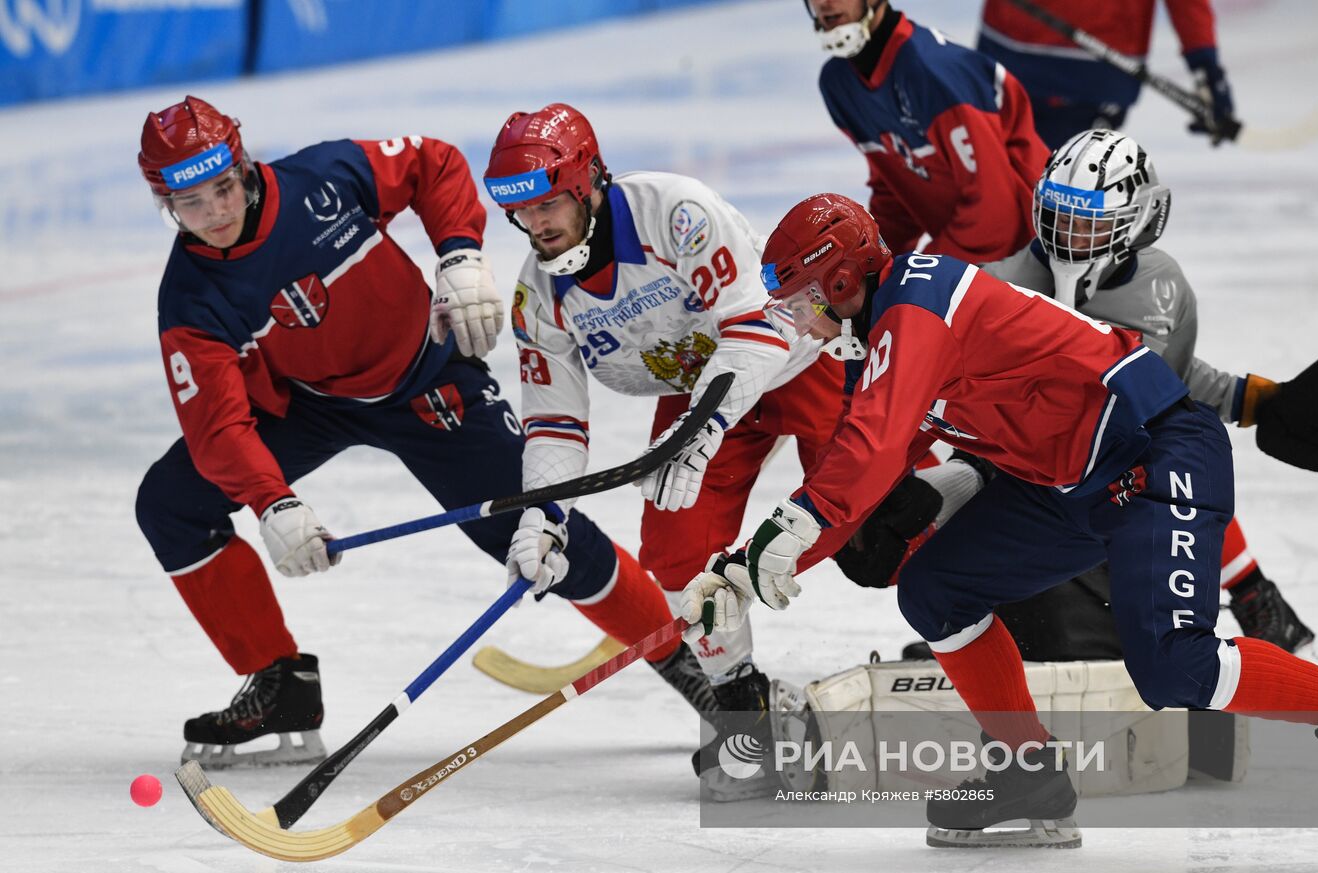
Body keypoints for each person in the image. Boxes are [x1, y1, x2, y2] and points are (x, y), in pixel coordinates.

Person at [681, 192, 1318, 847]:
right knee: (937, 589)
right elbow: (852, 477)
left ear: (839, 283)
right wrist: (742, 572)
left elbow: (867, 451)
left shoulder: (917, 305)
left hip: (1156, 451)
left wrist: (775, 545)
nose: (797, 325)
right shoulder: (878, 335)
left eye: (797, 304)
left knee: (1177, 668)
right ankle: (1028, 770)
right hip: (1071, 484)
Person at [134, 97, 706, 769]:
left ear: (245, 167)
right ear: (165, 204)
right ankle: (281, 683)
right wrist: (272, 500)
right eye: (191, 202)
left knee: (537, 530)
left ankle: (699, 674)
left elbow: (433, 163)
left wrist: (459, 253)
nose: (215, 213)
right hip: (313, 403)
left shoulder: (323, 178)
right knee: (171, 504)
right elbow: (216, 426)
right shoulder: (191, 296)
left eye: (223, 188)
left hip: (428, 376)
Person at [839, 129, 1318, 653]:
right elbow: (961, 403)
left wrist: (1256, 400)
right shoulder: (994, 283)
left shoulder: (1163, 286)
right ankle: (966, 629)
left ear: (1139, 220)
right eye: (1059, 218)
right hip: (1020, 471)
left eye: (1088, 224)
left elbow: (1165, 385)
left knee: (1161, 452)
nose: (1069, 238)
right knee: (911, 531)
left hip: (1100, 478)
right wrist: (934, 480)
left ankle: (1249, 594)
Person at [482, 103, 847, 793]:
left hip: (796, 356)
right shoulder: (540, 298)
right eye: (519, 211)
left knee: (878, 530)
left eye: (548, 203)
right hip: (700, 393)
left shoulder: (674, 212)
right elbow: (555, 420)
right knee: (676, 555)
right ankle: (745, 709)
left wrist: (698, 432)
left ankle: (1000, 631)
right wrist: (542, 516)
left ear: (588, 182)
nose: (535, 225)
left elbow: (756, 326)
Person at [805, 0, 1049, 261]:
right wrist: (872, 265)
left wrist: (923, 271)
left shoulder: (934, 71)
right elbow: (896, 197)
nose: (824, 3)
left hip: (1037, 251)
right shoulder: (840, 85)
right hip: (983, 249)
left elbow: (995, 212)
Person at [977, 0, 1236, 148]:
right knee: (1060, 203)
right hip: (1090, 74)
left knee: (998, 195)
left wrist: (1206, 68)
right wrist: (1206, 68)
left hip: (1009, 56)